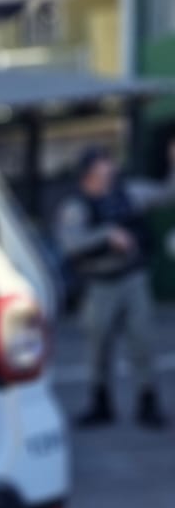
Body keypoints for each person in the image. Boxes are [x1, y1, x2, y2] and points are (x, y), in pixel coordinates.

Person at [54, 141, 175, 428]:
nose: (110, 166)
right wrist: (107, 236)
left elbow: (166, 194)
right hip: (100, 285)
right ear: (89, 171)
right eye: (103, 162)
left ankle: (148, 402)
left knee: (143, 342)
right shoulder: (77, 205)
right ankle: (100, 404)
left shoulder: (128, 193)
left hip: (133, 279)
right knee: (98, 348)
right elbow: (70, 243)